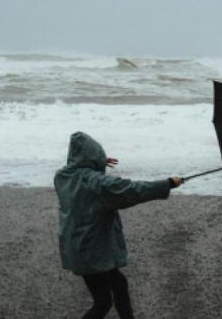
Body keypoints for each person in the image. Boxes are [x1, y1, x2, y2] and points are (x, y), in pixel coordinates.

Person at [54, 131, 183, 319]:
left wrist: (98, 163)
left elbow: (81, 175)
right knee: (103, 302)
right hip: (92, 249)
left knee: (119, 283)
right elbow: (132, 190)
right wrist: (168, 184)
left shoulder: (62, 177)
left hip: (78, 245)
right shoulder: (95, 183)